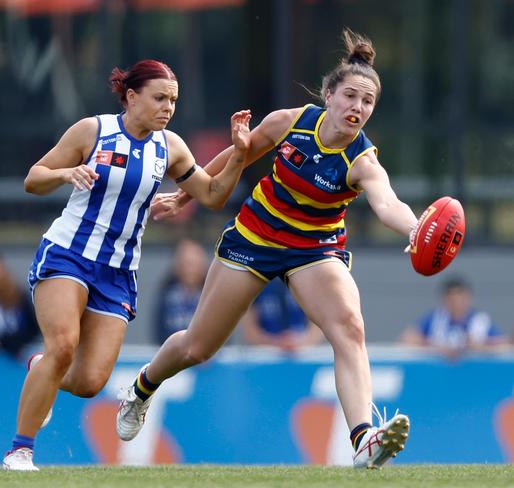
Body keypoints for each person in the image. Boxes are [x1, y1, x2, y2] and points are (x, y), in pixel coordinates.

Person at [116, 30, 417, 469]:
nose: (357, 107)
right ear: (329, 95)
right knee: (198, 347)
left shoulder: (363, 161)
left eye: (367, 102)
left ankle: (363, 439)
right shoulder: (291, 122)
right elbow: (239, 153)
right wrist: (185, 195)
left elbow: (387, 202)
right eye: (350, 95)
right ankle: (140, 389)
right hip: (255, 237)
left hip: (314, 250)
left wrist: (415, 228)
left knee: (350, 327)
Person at [1, 59, 252, 471]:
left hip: (118, 271)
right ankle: (20, 450)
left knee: (88, 381)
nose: (167, 107)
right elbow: (34, 178)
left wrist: (239, 156)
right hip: (69, 252)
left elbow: (210, 196)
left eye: (173, 100)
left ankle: (40, 370)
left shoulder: (170, 147)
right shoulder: (93, 131)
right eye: (159, 98)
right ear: (131, 96)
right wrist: (66, 174)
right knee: (63, 345)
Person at [401, 276, 510, 357]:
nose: (456, 303)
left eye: (460, 298)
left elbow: (504, 344)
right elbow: (407, 338)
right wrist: (436, 347)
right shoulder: (435, 318)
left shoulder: (480, 320)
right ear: (444, 299)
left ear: (468, 298)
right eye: (451, 299)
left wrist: (480, 346)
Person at [241, 278, 323, 352]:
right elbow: (250, 331)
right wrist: (276, 343)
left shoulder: (305, 281)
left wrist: (300, 343)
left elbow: (319, 326)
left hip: (304, 353)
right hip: (266, 354)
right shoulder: (254, 284)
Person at [155, 238, 208, 344]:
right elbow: (159, 328)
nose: (190, 270)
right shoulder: (168, 295)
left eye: (194, 264)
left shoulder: (211, 296)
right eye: (187, 264)